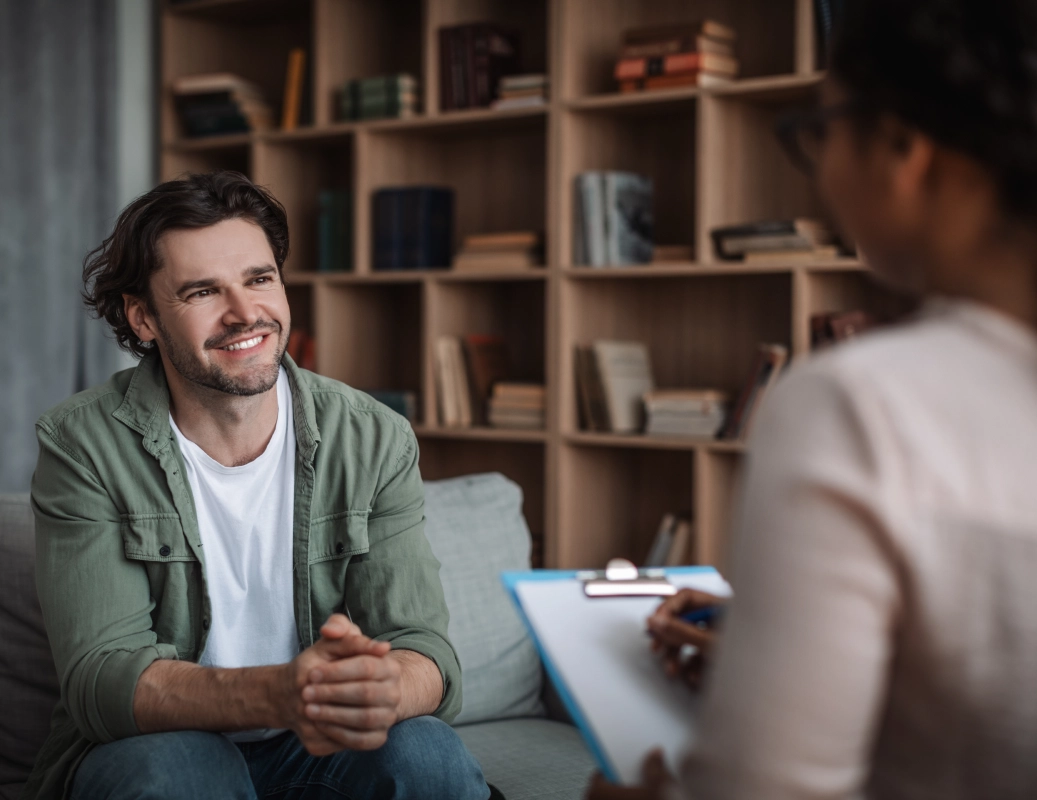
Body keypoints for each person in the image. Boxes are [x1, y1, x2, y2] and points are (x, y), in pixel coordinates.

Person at [588, 0, 1037, 797]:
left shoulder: (861, 404)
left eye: (820, 129)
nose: (822, 168)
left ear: (901, 147)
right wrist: (769, 663)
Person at [24, 171, 490, 800]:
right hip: (163, 745)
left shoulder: (374, 437)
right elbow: (102, 681)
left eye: (259, 278)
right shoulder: (83, 446)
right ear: (143, 319)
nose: (246, 315)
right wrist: (279, 692)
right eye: (202, 292)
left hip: (315, 750)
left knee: (428, 754)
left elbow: (424, 649)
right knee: (181, 773)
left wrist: (385, 687)